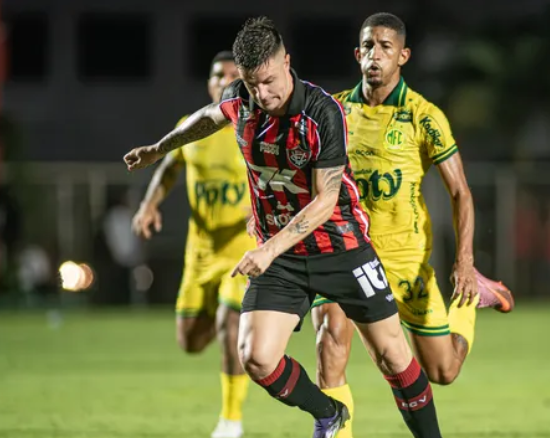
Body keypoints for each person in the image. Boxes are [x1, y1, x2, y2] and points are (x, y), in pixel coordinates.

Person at [124, 17, 445, 438]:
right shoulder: (241, 100)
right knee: (255, 357)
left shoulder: (322, 112)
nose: (263, 94)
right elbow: (204, 118)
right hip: (283, 258)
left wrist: (268, 248)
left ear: (287, 63)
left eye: (270, 81)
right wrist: (158, 148)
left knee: (393, 358)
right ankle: (329, 413)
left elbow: (326, 200)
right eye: (252, 84)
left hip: (341, 248)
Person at [307, 13, 515, 437]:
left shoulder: (424, 116)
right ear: (357, 54)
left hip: (405, 263)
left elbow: (461, 193)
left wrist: (464, 260)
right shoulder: (334, 111)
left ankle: (471, 300)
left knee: (443, 370)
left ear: (403, 56)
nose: (375, 55)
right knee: (330, 341)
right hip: (345, 253)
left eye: (385, 47)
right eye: (368, 46)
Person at [131, 51, 250, 438]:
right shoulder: (191, 127)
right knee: (190, 341)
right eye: (218, 75)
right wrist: (150, 204)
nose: (224, 80)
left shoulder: (253, 127)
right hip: (200, 253)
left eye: (233, 75)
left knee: (230, 324)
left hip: (242, 252)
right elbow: (168, 166)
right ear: (209, 83)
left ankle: (231, 421)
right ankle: (241, 328)